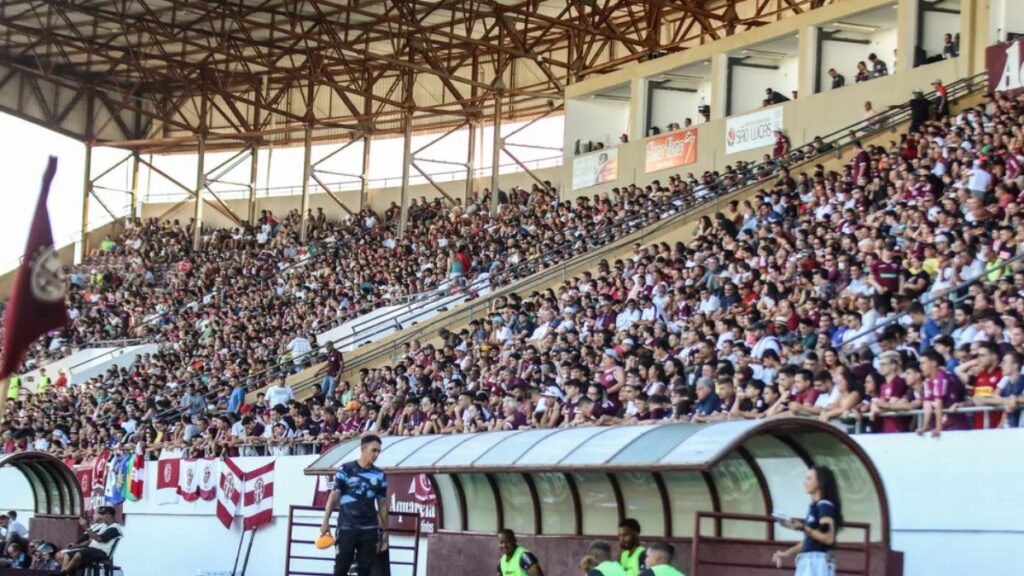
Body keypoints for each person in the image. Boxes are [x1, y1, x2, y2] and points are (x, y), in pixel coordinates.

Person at [321, 434, 389, 576]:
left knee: (365, 570)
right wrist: (325, 521)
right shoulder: (345, 470)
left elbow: (382, 504)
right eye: (374, 450)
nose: (376, 454)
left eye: (378, 451)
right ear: (363, 449)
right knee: (341, 568)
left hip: (369, 529)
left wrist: (385, 532)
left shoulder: (380, 475)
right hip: (347, 527)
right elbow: (333, 497)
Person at [772, 466, 842, 576]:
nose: (804, 483)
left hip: (818, 562)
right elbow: (810, 541)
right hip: (810, 560)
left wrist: (803, 528)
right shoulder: (815, 507)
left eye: (809, 479)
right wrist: (786, 554)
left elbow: (828, 538)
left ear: (820, 482)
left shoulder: (824, 506)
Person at [55, 506, 123, 576]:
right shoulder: (105, 526)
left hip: (101, 552)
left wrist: (86, 527)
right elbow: (90, 541)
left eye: (103, 515)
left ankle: (62, 574)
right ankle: (64, 573)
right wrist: (75, 546)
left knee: (78, 555)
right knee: (67, 555)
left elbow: (99, 539)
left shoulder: (114, 528)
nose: (101, 517)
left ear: (108, 515)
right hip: (91, 550)